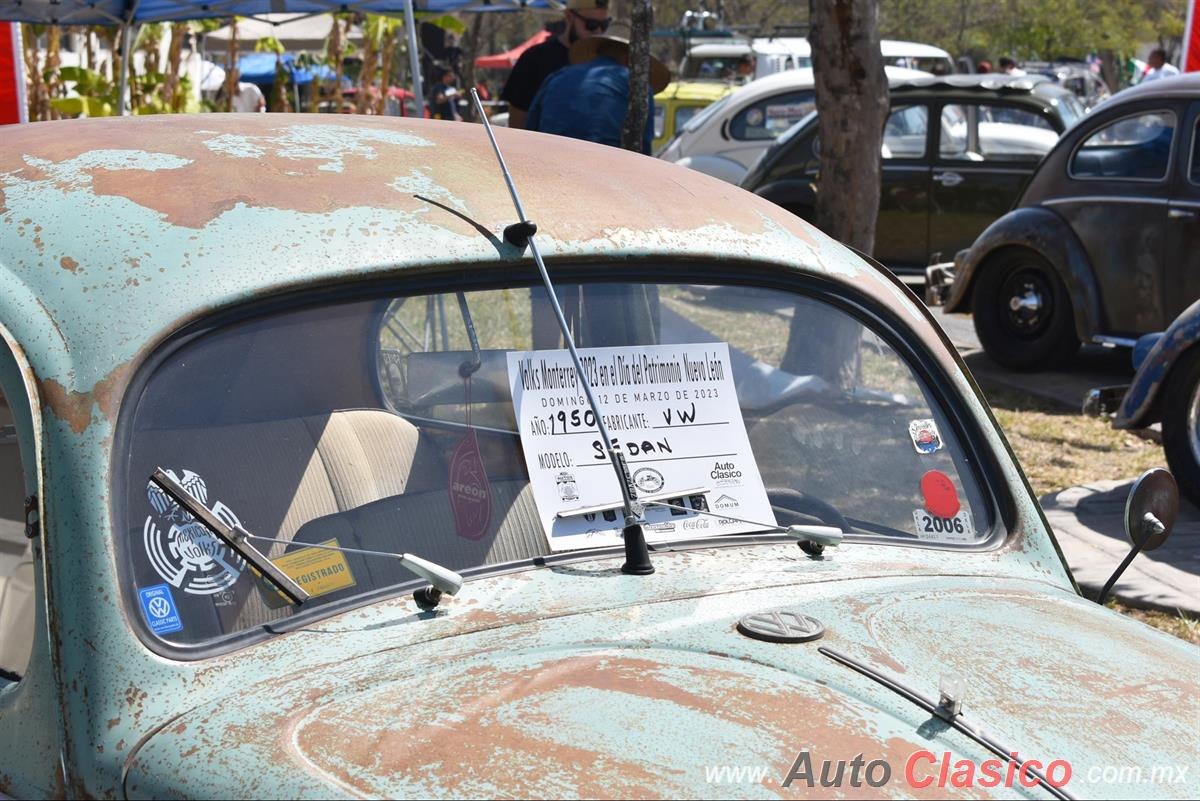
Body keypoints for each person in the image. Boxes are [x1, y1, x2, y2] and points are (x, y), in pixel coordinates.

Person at [526, 35, 670, 155]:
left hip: (549, 162)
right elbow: (642, 151)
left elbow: (529, 130)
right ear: (629, 61)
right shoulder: (638, 86)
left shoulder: (556, 77)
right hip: (603, 170)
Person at [500, 0, 611, 130]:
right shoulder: (534, 58)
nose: (598, 31)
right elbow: (517, 123)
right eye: (591, 24)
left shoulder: (608, 62)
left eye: (604, 25)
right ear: (569, 16)